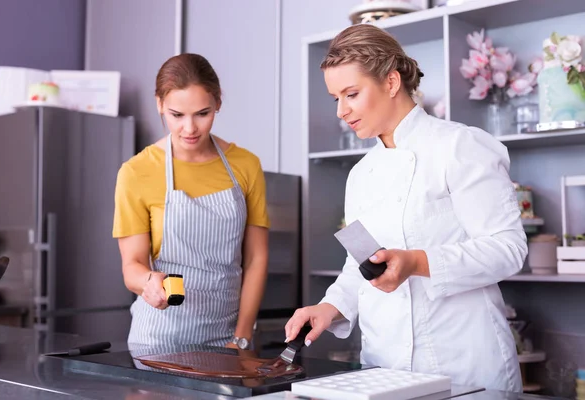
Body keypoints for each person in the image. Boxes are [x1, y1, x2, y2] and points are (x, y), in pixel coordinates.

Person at [285, 24, 527, 392]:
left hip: (464, 363)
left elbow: (508, 249)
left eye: (351, 94)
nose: (341, 111)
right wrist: (328, 308)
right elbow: (361, 265)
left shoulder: (459, 147)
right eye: (336, 98)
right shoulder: (360, 175)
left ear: (392, 82)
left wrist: (417, 262)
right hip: (385, 368)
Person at [113, 53, 270, 350]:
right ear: (159, 104)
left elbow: (256, 259)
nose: (190, 128)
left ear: (218, 103)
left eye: (202, 113)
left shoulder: (246, 165)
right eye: (176, 115)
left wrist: (242, 336)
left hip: (230, 338)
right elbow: (131, 265)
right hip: (159, 339)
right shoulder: (136, 172)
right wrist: (149, 282)